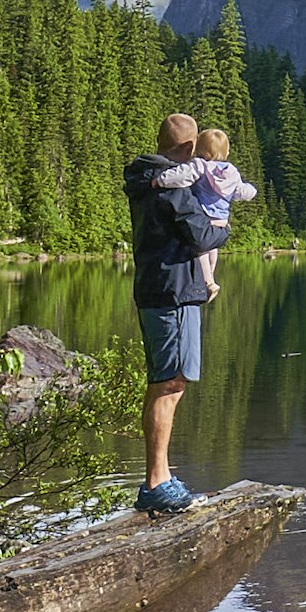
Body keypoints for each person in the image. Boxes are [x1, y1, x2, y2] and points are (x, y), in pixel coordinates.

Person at [125, 112, 225, 516]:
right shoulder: (176, 187)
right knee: (171, 384)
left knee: (161, 382)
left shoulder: (144, 179)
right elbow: (203, 234)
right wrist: (223, 220)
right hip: (175, 294)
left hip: (152, 289)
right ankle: (157, 484)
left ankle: (159, 478)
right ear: (187, 150)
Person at [185, 127, 260, 295]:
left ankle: (209, 282)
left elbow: (185, 180)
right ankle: (211, 274)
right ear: (225, 152)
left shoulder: (200, 166)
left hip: (204, 219)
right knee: (213, 248)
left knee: (201, 249)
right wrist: (252, 190)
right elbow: (241, 192)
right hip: (222, 220)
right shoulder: (231, 172)